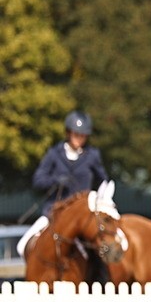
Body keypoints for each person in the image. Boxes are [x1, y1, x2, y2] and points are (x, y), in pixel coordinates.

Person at [18, 110, 110, 260]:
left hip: (82, 216)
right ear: (68, 133)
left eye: (83, 136)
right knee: (22, 246)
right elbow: (38, 180)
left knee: (101, 250)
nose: (80, 139)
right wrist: (55, 180)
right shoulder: (54, 154)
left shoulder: (92, 155)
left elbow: (104, 181)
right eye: (76, 134)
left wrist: (97, 201)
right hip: (54, 213)